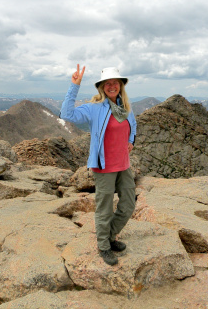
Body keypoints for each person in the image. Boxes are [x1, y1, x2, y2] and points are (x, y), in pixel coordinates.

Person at [60, 64, 137, 266]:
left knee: (128, 205)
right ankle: (104, 246)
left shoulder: (125, 107)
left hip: (123, 165)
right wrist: (74, 85)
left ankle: (109, 237)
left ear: (120, 85)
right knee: (105, 209)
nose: (112, 86)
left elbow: (133, 125)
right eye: (107, 83)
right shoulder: (94, 108)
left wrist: (131, 141)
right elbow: (67, 115)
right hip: (104, 167)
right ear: (102, 87)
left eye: (115, 83)